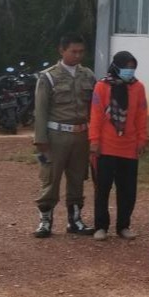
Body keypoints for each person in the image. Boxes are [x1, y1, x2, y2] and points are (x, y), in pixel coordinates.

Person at [32, 35, 97, 238]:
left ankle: (75, 220)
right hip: (56, 135)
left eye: (81, 52)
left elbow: (94, 108)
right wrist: (40, 139)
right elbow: (41, 110)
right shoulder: (48, 77)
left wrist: (95, 136)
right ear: (62, 51)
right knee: (50, 178)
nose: (78, 55)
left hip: (81, 135)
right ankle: (45, 221)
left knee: (78, 178)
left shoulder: (88, 76)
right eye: (73, 51)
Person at [88, 51, 148, 241]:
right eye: (125, 67)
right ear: (116, 66)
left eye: (132, 68)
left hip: (129, 146)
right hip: (105, 146)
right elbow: (96, 115)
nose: (129, 71)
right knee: (102, 188)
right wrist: (94, 140)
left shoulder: (138, 87)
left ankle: (123, 226)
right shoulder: (102, 86)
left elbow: (141, 115)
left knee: (127, 190)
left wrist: (142, 140)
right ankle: (101, 226)